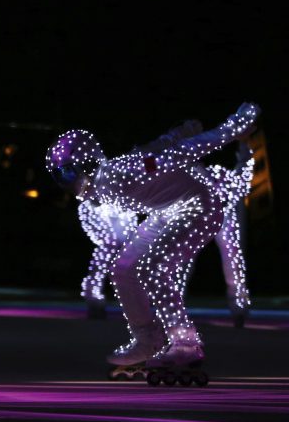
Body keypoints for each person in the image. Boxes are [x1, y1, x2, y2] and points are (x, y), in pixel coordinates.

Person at [47, 103, 258, 385]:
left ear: (84, 165)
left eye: (67, 174)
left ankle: (185, 344)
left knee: (152, 269)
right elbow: (156, 148)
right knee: (123, 269)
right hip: (169, 211)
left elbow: (178, 154)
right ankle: (148, 339)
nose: (67, 185)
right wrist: (180, 130)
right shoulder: (110, 177)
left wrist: (230, 130)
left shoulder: (118, 175)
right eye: (61, 177)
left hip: (199, 207)